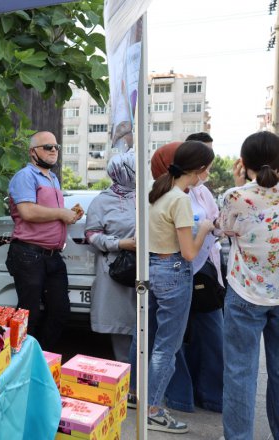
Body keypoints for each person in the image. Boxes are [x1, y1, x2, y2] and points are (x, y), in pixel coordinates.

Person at [139, 140, 215, 434]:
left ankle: (147, 402)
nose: (206, 175)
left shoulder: (158, 191)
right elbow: (189, 253)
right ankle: (153, 409)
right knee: (166, 349)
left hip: (153, 268)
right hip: (174, 271)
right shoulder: (180, 199)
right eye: (206, 169)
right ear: (198, 170)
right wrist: (205, 229)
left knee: (154, 343)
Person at [218, 131, 279, 440]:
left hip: (245, 292)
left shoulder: (235, 196)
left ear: (243, 163)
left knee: (240, 373)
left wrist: (240, 185)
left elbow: (225, 229)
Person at [5, 131, 81, 351]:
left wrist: (70, 215)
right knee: (30, 314)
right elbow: (27, 211)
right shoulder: (25, 176)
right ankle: (18, 360)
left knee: (60, 311)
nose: (54, 151)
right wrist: (60, 214)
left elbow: (50, 213)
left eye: (56, 147)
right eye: (48, 147)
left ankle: (40, 357)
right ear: (32, 152)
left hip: (52, 256)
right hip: (29, 254)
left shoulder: (53, 178)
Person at [85, 152, 136, 363]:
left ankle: (144, 381)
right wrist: (119, 243)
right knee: (122, 324)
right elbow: (91, 234)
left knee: (145, 323)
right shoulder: (101, 202)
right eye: (133, 170)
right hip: (117, 269)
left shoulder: (146, 197)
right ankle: (128, 382)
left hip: (148, 267)